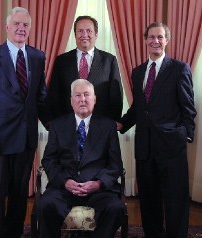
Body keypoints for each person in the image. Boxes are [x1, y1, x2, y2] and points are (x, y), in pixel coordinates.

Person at [117, 22, 197, 238]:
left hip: (172, 148)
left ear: (167, 40)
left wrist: (184, 134)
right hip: (145, 148)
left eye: (160, 37)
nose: (155, 41)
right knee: (149, 201)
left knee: (175, 201)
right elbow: (139, 108)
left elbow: (188, 108)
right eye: (151, 37)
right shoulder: (138, 72)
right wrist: (122, 124)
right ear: (145, 40)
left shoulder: (179, 68)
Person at [0, 7, 47, 238]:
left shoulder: (37, 57)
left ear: (30, 29)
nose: (21, 28)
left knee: (19, 196)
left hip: (26, 140)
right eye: (16, 24)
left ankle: (14, 234)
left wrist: (59, 126)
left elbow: (41, 97)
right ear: (7, 27)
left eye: (25, 25)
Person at [39, 79, 124, 238]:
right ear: (71, 101)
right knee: (46, 204)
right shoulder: (57, 126)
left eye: (86, 95)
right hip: (65, 190)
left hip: (97, 191)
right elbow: (49, 160)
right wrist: (65, 182)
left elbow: (115, 164)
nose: (82, 99)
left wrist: (98, 183)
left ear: (95, 99)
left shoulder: (107, 126)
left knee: (114, 207)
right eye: (77, 95)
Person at [45, 15, 123, 126]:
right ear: (75, 34)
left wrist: (109, 126)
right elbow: (54, 96)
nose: (84, 35)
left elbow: (116, 98)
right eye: (80, 31)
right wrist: (60, 125)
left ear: (96, 34)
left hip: (100, 128)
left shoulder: (109, 61)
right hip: (68, 128)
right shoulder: (61, 61)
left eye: (89, 31)